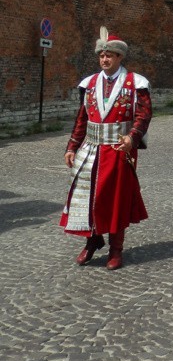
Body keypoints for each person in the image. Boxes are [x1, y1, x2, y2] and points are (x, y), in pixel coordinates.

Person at [61, 27, 152, 270]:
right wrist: (72, 147)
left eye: (110, 55)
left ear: (120, 57)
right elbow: (82, 118)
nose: (105, 59)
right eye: (102, 55)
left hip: (118, 149)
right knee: (87, 198)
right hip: (91, 148)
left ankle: (116, 248)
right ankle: (92, 240)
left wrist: (132, 137)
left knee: (115, 200)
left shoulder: (135, 83)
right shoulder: (89, 83)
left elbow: (143, 116)